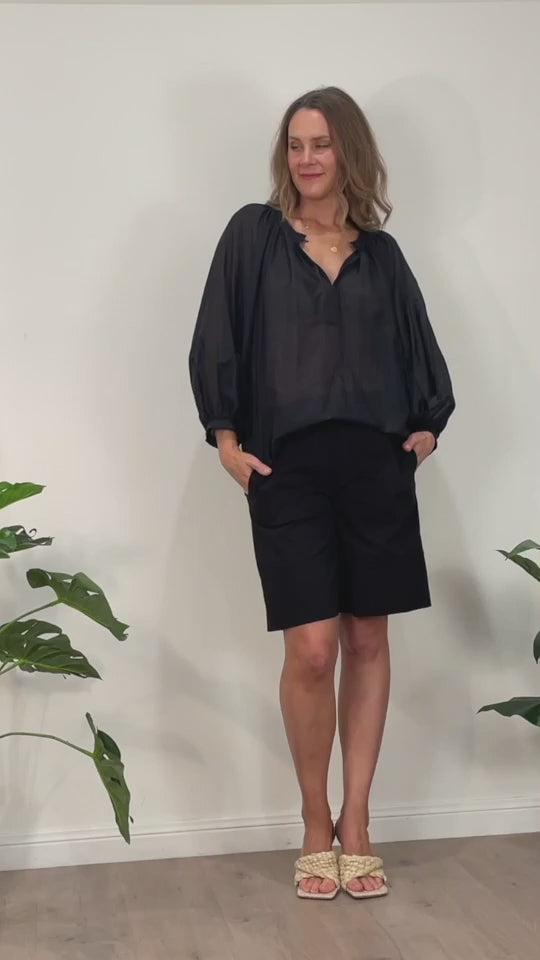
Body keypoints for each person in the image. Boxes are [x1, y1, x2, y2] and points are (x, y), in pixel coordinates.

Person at [189, 86, 455, 901]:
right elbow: (217, 335)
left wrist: (426, 428)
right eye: (296, 144)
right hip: (288, 468)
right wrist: (226, 439)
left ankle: (358, 822)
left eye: (322, 143)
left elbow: (420, 353)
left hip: (375, 467)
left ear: (349, 153)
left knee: (367, 638)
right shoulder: (254, 236)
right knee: (311, 649)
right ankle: (314, 821)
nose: (307, 158)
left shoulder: (383, 256)